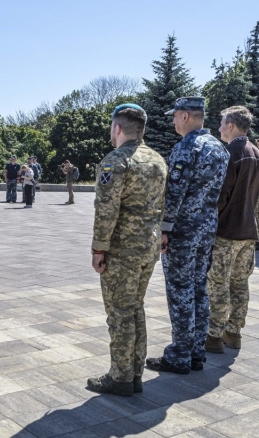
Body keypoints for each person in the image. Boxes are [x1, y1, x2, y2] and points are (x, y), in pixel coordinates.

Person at [86, 104, 167, 397]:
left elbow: (106, 210)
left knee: (119, 313)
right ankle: (134, 374)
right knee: (135, 308)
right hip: (148, 246)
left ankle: (120, 378)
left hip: (122, 250)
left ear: (117, 128)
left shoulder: (116, 160)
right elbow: (162, 204)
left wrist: (99, 248)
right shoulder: (157, 160)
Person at [146, 97, 228, 375]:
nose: (172, 121)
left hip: (183, 231)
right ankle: (195, 352)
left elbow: (174, 193)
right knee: (199, 289)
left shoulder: (187, 147)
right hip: (206, 230)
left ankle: (180, 355)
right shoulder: (218, 147)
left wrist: (165, 228)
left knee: (180, 290)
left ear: (184, 116)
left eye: (174, 116)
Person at [204, 107, 259, 354]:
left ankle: (214, 336)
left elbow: (221, 194)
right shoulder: (256, 152)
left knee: (218, 283)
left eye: (222, 123)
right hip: (248, 229)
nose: (219, 128)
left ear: (231, 126)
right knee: (240, 283)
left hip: (227, 230)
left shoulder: (231, 152)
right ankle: (234, 332)